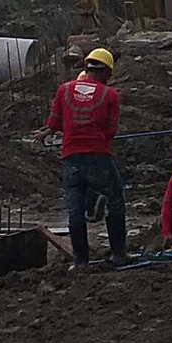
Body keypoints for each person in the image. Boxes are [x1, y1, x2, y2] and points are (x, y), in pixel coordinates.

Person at [47, 47, 125, 268]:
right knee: (116, 201)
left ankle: (81, 261)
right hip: (98, 156)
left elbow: (53, 124)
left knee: (75, 210)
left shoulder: (64, 90)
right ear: (105, 72)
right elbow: (111, 132)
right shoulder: (110, 95)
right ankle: (118, 254)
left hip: (71, 158)